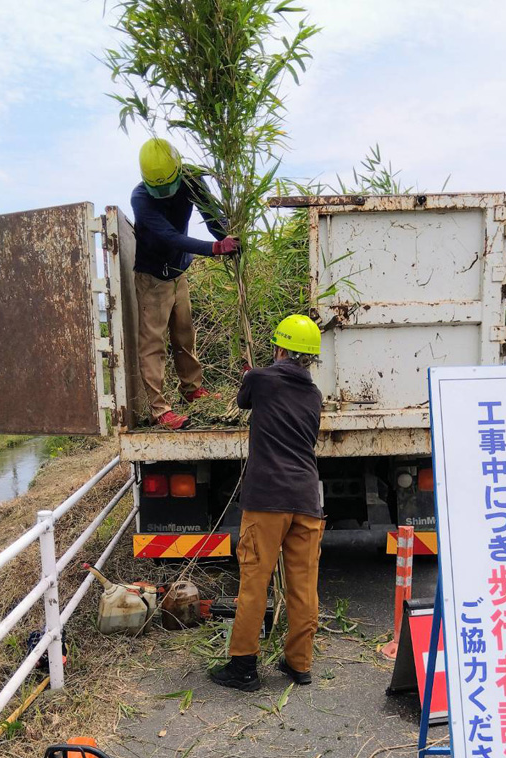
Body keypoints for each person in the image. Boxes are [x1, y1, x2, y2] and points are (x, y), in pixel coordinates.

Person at [210, 314, 325, 692]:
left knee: (254, 583)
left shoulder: (259, 379)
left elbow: (243, 400)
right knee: (304, 586)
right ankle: (299, 664)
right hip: (307, 500)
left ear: (279, 349)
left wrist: (249, 372)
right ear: (310, 357)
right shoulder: (314, 395)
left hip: (267, 500)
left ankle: (244, 666)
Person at [131, 137, 240, 430]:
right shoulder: (140, 198)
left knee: (184, 335)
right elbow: (170, 236)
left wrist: (227, 238)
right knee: (153, 344)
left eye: (169, 186)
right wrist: (214, 248)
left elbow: (211, 215)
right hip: (152, 277)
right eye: (158, 190)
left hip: (179, 271)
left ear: (178, 170)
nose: (164, 194)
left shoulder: (191, 180)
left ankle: (191, 390)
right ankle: (160, 410)